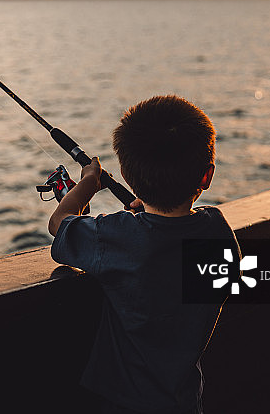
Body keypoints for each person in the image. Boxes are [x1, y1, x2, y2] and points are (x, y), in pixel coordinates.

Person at [48, 94, 238, 414]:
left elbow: (59, 223)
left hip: (123, 403)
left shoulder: (122, 236)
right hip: (185, 401)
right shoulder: (218, 232)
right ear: (207, 176)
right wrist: (149, 213)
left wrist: (88, 183)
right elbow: (172, 240)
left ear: (124, 176)